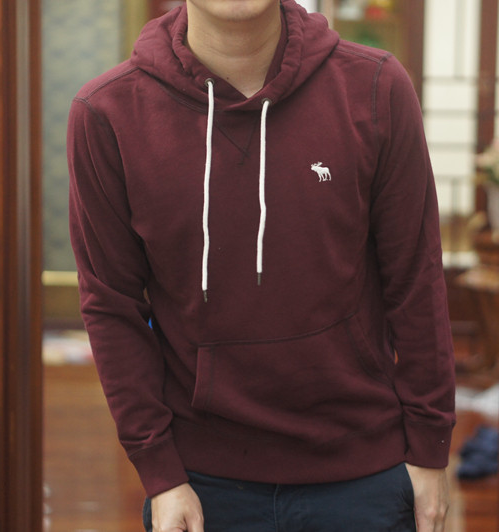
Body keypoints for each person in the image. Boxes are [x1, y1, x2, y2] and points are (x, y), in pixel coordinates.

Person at [67, 1, 456, 530]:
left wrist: (430, 448)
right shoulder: (107, 113)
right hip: (199, 481)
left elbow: (416, 279)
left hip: (364, 470)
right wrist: (159, 470)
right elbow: (111, 305)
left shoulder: (375, 87)